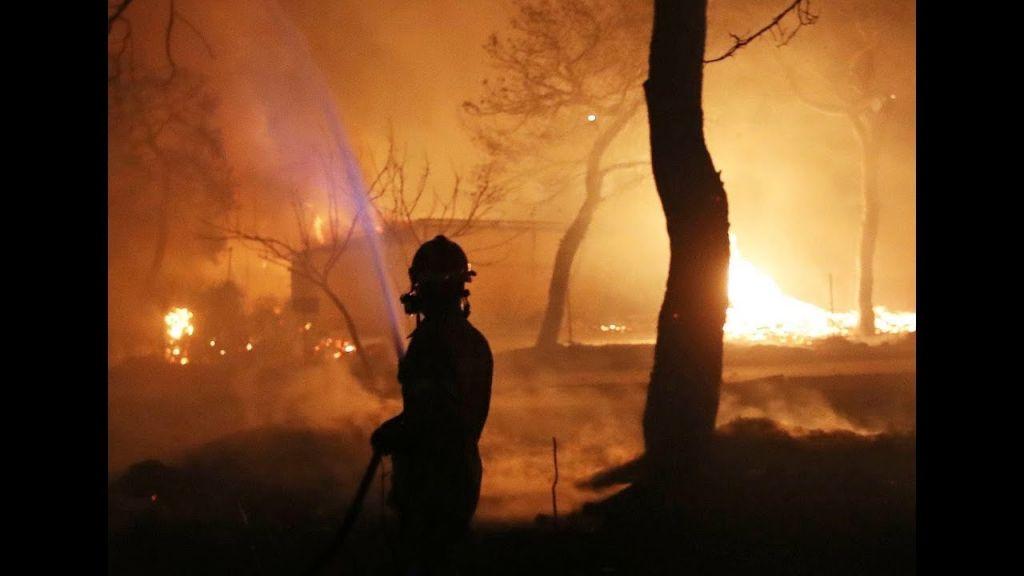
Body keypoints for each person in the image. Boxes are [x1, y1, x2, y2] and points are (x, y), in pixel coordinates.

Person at [371, 235, 493, 575]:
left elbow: (432, 420)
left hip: (430, 483)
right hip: (463, 475)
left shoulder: (431, 342)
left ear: (423, 285)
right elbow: (454, 412)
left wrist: (392, 433)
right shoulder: (473, 340)